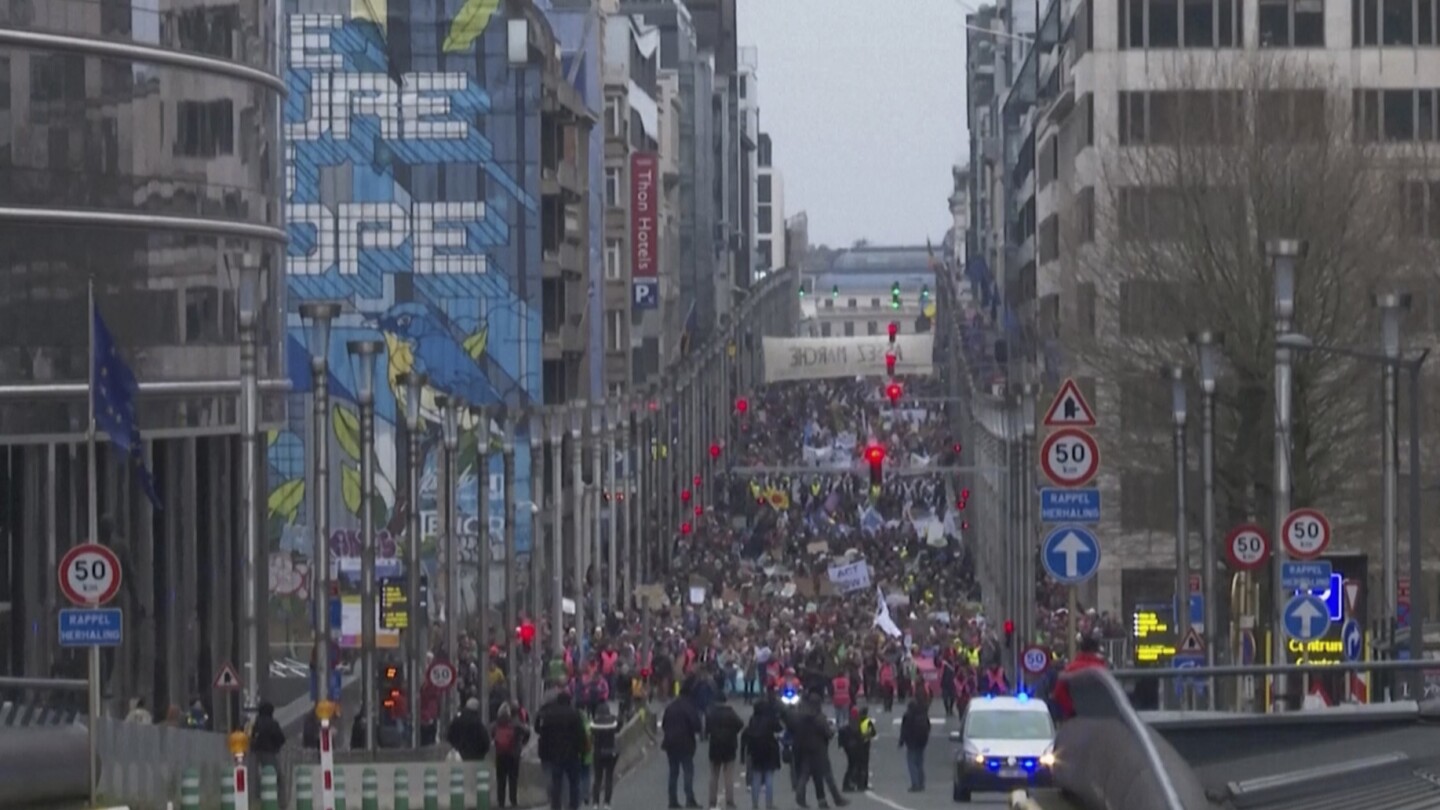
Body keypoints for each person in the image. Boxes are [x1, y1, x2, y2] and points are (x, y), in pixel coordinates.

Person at [535, 691, 587, 810]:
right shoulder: (575, 714)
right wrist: (582, 750)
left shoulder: (549, 715)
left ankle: (556, 806)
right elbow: (581, 734)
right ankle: (573, 806)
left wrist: (545, 753)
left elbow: (543, 734)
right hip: (572, 754)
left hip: (555, 755)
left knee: (556, 784)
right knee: (574, 783)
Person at [661, 682, 704, 809]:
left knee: (673, 772)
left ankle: (672, 800)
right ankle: (689, 799)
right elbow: (697, 725)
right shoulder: (689, 707)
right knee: (688, 771)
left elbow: (664, 724)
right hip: (686, 743)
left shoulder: (670, 707)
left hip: (670, 743)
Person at [1051, 637, 1108, 720]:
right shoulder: (1102, 669)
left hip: (1075, 718)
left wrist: (1071, 709)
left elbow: (1058, 692)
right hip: (1098, 717)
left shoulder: (1070, 669)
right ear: (1096, 650)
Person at [705, 692, 744, 809]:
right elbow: (740, 724)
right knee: (728, 775)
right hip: (729, 746)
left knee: (714, 775)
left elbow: (707, 729)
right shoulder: (730, 712)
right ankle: (729, 801)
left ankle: (712, 801)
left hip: (715, 745)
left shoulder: (711, 713)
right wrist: (732, 733)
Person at [739, 707, 781, 810]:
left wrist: (743, 756)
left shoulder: (752, 722)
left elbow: (744, 737)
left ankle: (755, 805)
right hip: (769, 753)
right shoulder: (770, 720)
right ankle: (769, 804)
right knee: (769, 779)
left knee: (756, 779)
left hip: (755, 753)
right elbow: (779, 728)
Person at [491, 703, 531, 808]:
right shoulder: (515, 724)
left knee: (501, 780)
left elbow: (492, 735)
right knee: (513, 778)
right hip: (513, 755)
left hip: (500, 755)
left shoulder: (495, 725)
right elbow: (527, 731)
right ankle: (513, 801)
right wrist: (523, 743)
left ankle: (501, 802)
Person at [250, 701, 287, 806]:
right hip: (270, 753)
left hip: (256, 754)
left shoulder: (256, 724)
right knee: (278, 779)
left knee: (258, 778)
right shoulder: (272, 723)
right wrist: (276, 746)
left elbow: (252, 739)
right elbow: (281, 738)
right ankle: (280, 803)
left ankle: (258, 800)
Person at [590, 702, 620, 810]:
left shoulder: (594, 723)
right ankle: (607, 803)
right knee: (608, 778)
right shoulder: (613, 721)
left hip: (598, 753)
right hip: (610, 752)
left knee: (597, 778)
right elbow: (618, 727)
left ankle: (595, 803)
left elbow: (591, 734)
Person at [898, 698, 930, 793]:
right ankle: (921, 783)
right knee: (920, 763)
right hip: (921, 742)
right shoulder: (923, 715)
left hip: (911, 742)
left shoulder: (908, 716)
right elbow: (928, 727)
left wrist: (901, 742)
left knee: (912, 763)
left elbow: (904, 730)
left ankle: (915, 784)